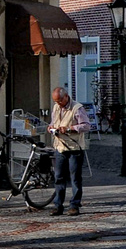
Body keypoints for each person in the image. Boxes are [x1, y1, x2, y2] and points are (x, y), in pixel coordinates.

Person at [48, 86, 92, 215]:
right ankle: (58, 205)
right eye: (55, 101)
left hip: (74, 147)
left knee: (75, 178)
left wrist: (69, 128)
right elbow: (54, 121)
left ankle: (74, 205)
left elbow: (86, 126)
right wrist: (52, 127)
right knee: (59, 177)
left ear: (66, 97)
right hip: (60, 147)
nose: (58, 104)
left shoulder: (77, 108)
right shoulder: (56, 107)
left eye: (60, 101)